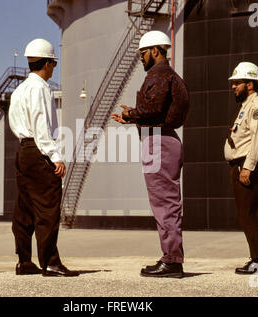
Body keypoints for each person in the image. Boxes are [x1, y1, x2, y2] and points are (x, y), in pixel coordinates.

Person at [111, 30, 190, 278]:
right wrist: (134, 117)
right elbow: (159, 111)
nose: (140, 58)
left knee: (164, 202)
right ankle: (171, 257)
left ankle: (172, 261)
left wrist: (131, 114)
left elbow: (153, 108)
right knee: (165, 202)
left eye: (143, 53)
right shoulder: (173, 76)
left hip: (159, 141)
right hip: (163, 137)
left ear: (155, 50)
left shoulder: (159, 75)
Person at [8, 39, 79, 277]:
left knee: (25, 207)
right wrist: (55, 156)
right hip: (38, 149)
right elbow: (41, 126)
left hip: (23, 150)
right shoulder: (39, 88)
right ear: (47, 63)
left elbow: (15, 124)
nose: (54, 68)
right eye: (53, 64)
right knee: (48, 206)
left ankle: (24, 261)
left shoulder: (19, 90)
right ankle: (50, 262)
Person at [225, 62, 258, 274]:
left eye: (237, 83)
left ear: (251, 84)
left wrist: (248, 168)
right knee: (249, 214)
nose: (233, 86)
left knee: (252, 214)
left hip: (248, 166)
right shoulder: (246, 106)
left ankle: (257, 262)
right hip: (242, 165)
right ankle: (257, 259)